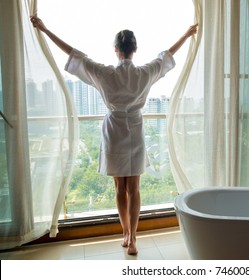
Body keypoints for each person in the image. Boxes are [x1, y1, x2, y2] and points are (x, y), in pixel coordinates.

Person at [30, 15, 198, 255]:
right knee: (135, 188)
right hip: (136, 129)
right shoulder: (144, 73)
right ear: (135, 49)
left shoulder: (105, 74)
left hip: (113, 132)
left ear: (116, 50)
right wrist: (186, 35)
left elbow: (75, 55)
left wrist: (46, 30)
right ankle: (133, 240)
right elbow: (166, 56)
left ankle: (125, 233)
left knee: (120, 188)